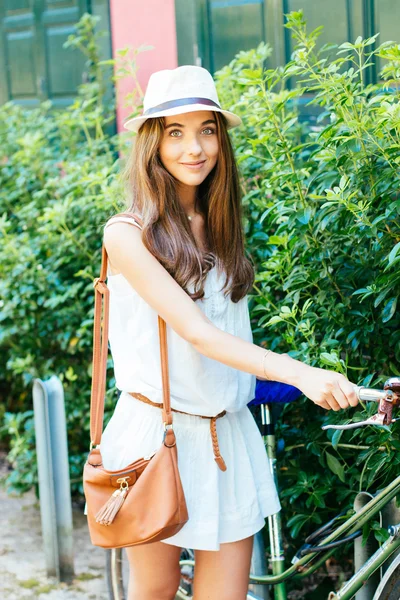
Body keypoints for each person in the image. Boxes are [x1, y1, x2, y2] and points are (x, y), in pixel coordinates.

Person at [99, 65, 359, 600]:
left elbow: (223, 336)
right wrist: (302, 373)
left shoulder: (221, 223)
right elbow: (198, 334)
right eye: (175, 132)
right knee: (155, 589)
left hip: (225, 435)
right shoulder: (127, 234)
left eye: (207, 130)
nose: (194, 147)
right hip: (156, 436)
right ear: (153, 142)